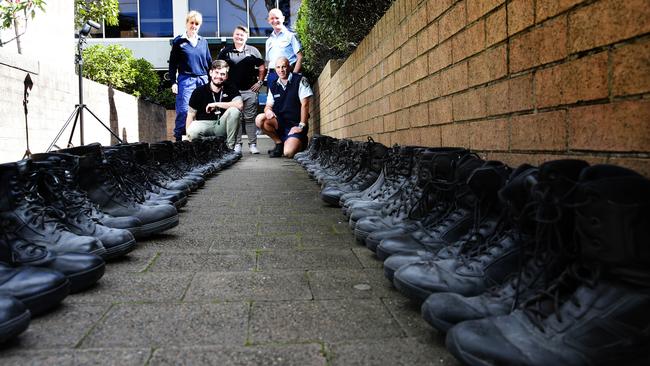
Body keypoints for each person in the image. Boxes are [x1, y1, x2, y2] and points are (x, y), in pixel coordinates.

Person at [217, 25, 266, 155]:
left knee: (250, 119)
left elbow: (262, 67)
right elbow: (218, 69)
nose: (239, 37)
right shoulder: (225, 52)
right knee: (236, 118)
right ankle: (237, 144)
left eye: (242, 35)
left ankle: (253, 145)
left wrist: (260, 82)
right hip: (232, 92)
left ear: (246, 37)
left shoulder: (253, 51)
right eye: (237, 34)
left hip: (250, 91)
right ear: (233, 35)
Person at [255, 57, 312, 158]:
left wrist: (301, 126)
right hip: (281, 123)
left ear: (289, 67)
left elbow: (305, 104)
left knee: (288, 153)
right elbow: (268, 105)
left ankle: (300, 141)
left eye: (284, 67)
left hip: (295, 124)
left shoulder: (300, 80)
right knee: (260, 119)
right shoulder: (273, 85)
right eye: (278, 67)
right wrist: (268, 111)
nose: (281, 70)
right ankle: (279, 143)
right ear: (275, 69)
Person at [168, 10, 212, 141]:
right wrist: (173, 82)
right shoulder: (179, 42)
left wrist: (212, 82)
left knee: (204, 111)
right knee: (183, 111)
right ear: (187, 23)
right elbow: (172, 65)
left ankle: (201, 140)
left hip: (203, 79)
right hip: (186, 80)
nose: (194, 25)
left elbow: (209, 63)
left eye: (197, 23)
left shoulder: (203, 42)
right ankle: (179, 140)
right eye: (191, 22)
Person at [186, 60, 243, 149]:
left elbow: (239, 105)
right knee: (192, 129)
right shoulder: (198, 91)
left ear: (226, 76)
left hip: (221, 125)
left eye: (222, 74)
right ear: (211, 73)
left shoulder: (231, 88)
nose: (219, 76)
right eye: (216, 72)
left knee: (234, 111)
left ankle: (230, 149)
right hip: (205, 124)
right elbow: (190, 115)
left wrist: (216, 104)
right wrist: (188, 137)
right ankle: (203, 148)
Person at [265, 8, 302, 86]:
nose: (275, 20)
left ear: (283, 18)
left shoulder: (291, 36)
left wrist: (294, 76)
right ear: (269, 21)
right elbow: (268, 62)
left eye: (277, 18)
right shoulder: (268, 41)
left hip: (288, 73)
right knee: (272, 98)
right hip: (272, 76)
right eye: (272, 18)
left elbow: (300, 57)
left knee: (289, 98)